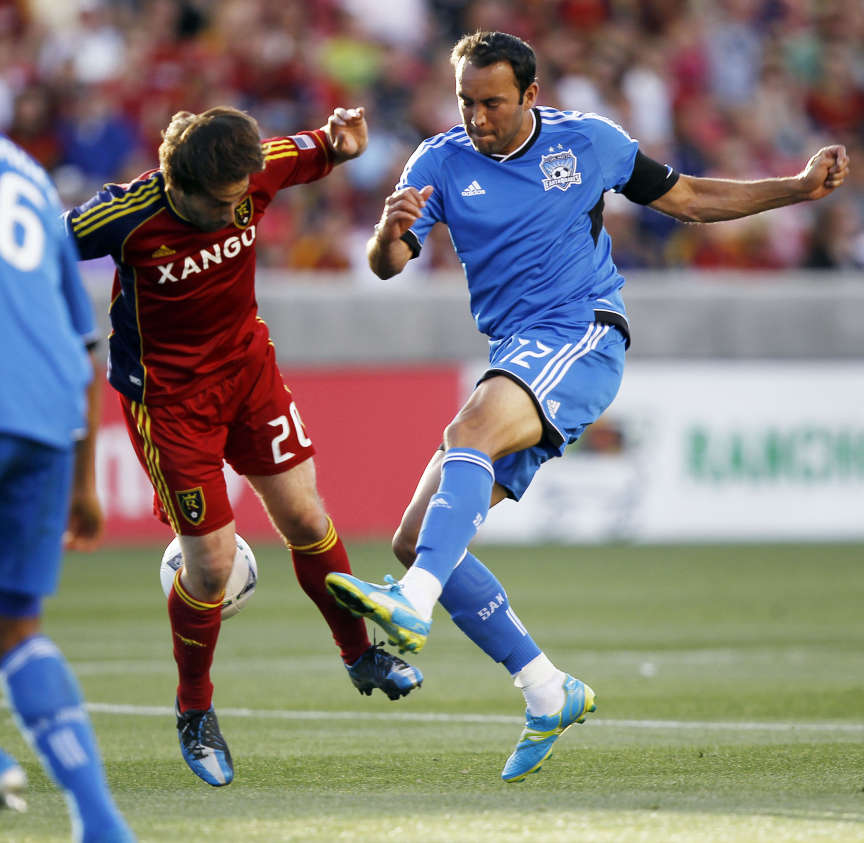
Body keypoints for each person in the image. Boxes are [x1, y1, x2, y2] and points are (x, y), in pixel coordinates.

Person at [325, 30, 850, 783]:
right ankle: (546, 688)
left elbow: (689, 198)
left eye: (493, 104)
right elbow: (389, 266)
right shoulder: (438, 161)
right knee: (416, 535)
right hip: (516, 352)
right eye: (467, 102)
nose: (477, 118)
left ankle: (413, 601)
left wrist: (795, 188)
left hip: (583, 334)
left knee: (465, 433)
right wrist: (387, 235)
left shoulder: (590, 145)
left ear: (531, 96)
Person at [63, 105, 422, 788]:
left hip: (248, 372)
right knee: (212, 565)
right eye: (222, 205)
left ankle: (359, 655)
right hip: (169, 403)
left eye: (243, 202)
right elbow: (35, 247)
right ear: (182, 185)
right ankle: (194, 710)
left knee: (308, 518)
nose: (238, 211)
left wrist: (345, 141)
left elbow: (324, 147)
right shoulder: (124, 216)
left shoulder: (255, 168)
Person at [0, 134, 134, 839]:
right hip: (49, 414)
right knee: (17, 627)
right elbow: (85, 344)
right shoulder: (25, 172)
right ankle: (100, 821)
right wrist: (85, 482)